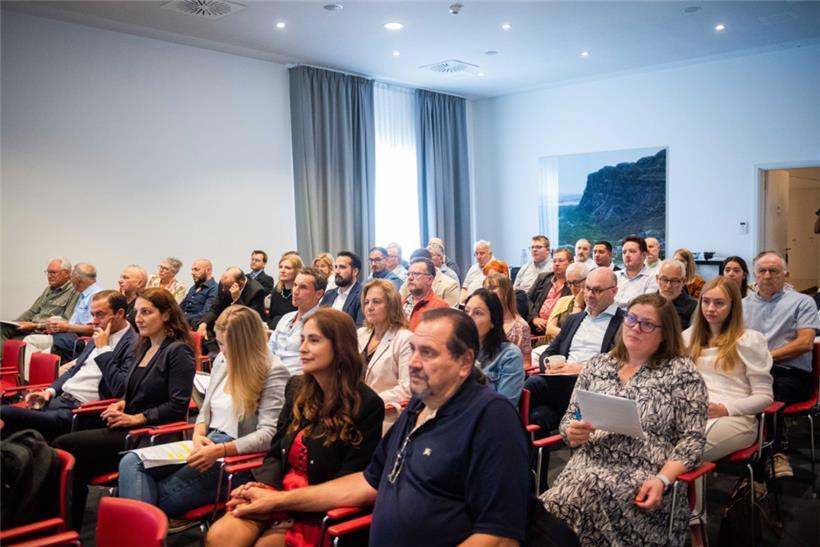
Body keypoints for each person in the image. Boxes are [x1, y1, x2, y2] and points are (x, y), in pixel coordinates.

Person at [209, 308, 531, 547]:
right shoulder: (419, 408)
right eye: (413, 350)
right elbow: (368, 482)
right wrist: (277, 500)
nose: (414, 362)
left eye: (428, 353)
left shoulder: (491, 417)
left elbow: (499, 537)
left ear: (464, 362)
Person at [206, 308, 384, 547]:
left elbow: (346, 484)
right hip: (278, 492)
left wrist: (285, 505)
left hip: (315, 506)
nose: (302, 348)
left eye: (313, 340)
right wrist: (263, 489)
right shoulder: (296, 388)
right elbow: (275, 454)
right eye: (302, 339)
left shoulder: (367, 406)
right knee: (220, 536)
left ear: (340, 347)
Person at [541, 293, 708, 546]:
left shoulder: (681, 373)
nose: (635, 328)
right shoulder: (598, 365)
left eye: (647, 324)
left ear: (665, 333)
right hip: (586, 466)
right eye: (631, 319)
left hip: (645, 476)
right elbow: (570, 417)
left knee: (567, 505)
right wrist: (571, 431)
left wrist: (662, 479)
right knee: (555, 506)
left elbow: (693, 440)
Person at [118, 305, 290, 518]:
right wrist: (198, 434)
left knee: (151, 496)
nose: (222, 351)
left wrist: (221, 450)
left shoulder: (273, 371)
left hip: (237, 455)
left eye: (228, 346)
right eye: (219, 344)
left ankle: (140, 531)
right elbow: (205, 411)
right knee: (131, 463)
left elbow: (268, 436)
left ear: (246, 344)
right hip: (207, 442)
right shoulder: (223, 360)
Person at [53, 288, 196, 527]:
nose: (138, 318)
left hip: (149, 434)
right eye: (137, 312)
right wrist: (122, 404)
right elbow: (132, 390)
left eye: (146, 312)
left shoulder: (178, 351)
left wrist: (136, 418)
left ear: (166, 315)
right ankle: (69, 527)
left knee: (64, 445)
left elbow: (177, 405)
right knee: (71, 457)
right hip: (128, 426)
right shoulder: (146, 346)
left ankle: (71, 525)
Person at [0, 290, 136, 441]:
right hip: (57, 401)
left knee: (5, 413)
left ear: (120, 313)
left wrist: (103, 350)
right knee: (9, 436)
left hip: (79, 412)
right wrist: (49, 392)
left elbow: (120, 388)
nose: (94, 321)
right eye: (93, 315)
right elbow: (74, 369)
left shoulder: (133, 344)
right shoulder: (99, 333)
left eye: (100, 315)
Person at [743, 251, 820, 477]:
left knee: (769, 392)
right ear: (754, 276)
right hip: (752, 372)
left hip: (791, 374)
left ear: (786, 274)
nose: (767, 276)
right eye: (762, 271)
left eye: (774, 271)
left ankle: (771, 456)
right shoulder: (741, 305)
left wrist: (764, 358)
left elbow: (804, 343)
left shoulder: (802, 302)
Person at [683, 277, 773, 461]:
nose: (710, 309)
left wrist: (726, 408)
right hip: (694, 410)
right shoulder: (688, 337)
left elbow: (765, 397)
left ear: (733, 306)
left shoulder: (749, 340)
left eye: (719, 303)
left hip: (735, 417)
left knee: (686, 454)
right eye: (706, 302)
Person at [1, 257, 79, 362]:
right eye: (48, 272)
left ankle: (7, 368)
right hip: (31, 326)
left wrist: (34, 325)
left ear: (66, 273)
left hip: (44, 331)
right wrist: (16, 324)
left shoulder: (74, 292)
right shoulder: (48, 290)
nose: (49, 276)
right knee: (2, 328)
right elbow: (32, 311)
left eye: (53, 272)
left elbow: (65, 321)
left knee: (15, 342)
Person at [22, 262, 101, 365]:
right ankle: (31, 379)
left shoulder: (96, 296)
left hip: (79, 340)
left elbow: (94, 328)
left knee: (31, 340)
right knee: (38, 352)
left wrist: (66, 327)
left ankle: (28, 380)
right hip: (68, 336)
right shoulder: (83, 294)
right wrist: (60, 323)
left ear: (78, 279)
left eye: (72, 276)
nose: (70, 280)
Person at [357, 279, 412, 426]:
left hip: (385, 416)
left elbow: (407, 389)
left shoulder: (405, 338)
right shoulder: (360, 334)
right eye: (367, 302)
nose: (370, 307)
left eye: (376, 302)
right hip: (354, 412)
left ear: (391, 305)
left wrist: (369, 401)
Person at [464, 289, 525, 404]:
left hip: (489, 418)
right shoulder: (457, 349)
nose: (469, 318)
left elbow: (504, 406)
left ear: (493, 321)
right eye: (466, 311)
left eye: (477, 313)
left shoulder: (510, 355)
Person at [269, 268, 326, 376]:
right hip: (272, 376)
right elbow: (270, 351)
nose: (295, 291)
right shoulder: (286, 318)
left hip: (298, 381)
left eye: (303, 287)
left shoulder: (321, 323)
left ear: (319, 294)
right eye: (295, 285)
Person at [196, 267, 267, 353]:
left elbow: (250, 320)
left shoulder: (257, 291)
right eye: (223, 285)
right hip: (226, 322)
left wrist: (237, 299)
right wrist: (204, 323)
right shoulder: (224, 284)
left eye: (226, 287)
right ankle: (215, 353)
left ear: (240, 284)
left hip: (244, 328)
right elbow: (215, 309)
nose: (223, 289)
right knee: (201, 324)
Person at [483, 273, 533, 367]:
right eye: (485, 289)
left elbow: (526, 363)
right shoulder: (482, 322)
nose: (488, 292)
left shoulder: (521, 326)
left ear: (506, 291)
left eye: (493, 288)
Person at [528, 247, 573, 333]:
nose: (556, 264)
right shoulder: (543, 278)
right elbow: (527, 298)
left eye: (561, 261)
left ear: (571, 263)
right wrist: (534, 318)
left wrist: (550, 324)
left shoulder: (573, 284)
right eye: (554, 261)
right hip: (535, 324)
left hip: (557, 329)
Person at [543, 262, 588, 342]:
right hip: (553, 344)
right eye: (569, 283)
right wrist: (568, 334)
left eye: (576, 282)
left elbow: (575, 331)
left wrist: (577, 304)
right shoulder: (563, 300)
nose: (573, 287)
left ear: (587, 280)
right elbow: (549, 329)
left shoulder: (592, 305)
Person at [402, 258, 449, 331]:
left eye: (415, 274)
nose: (410, 278)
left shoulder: (440, 307)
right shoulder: (401, 302)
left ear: (429, 280)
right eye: (408, 274)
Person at [320, 251, 364, 326]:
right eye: (336, 267)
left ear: (355, 271)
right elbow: (319, 320)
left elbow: (360, 328)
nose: (337, 271)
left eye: (342, 267)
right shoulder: (329, 294)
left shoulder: (362, 294)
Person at [615, 235, 659, 309]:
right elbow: (606, 301)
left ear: (644, 255)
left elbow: (644, 304)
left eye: (632, 251)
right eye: (624, 252)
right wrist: (629, 301)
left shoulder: (653, 278)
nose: (627, 255)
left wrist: (617, 301)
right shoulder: (614, 276)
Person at [656, 259, 697, 329]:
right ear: (657, 279)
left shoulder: (694, 307)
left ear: (684, 281)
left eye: (674, 281)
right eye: (664, 279)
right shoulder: (647, 302)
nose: (668, 286)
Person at [268, 254, 303, 330]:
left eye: (287, 268)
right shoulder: (276, 291)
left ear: (297, 271)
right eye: (281, 267)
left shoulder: (300, 293)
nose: (282, 271)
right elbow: (271, 317)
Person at [180, 259, 218, 327]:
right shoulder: (193, 288)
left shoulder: (214, 289)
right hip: (183, 324)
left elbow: (206, 312)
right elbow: (181, 306)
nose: (193, 273)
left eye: (196, 270)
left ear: (208, 270)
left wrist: (183, 319)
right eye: (192, 270)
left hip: (196, 325)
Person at [460, 240, 494, 304]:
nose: (478, 257)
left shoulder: (497, 268)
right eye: (476, 254)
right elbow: (464, 288)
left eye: (481, 253)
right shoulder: (473, 268)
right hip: (468, 303)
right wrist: (462, 300)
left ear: (490, 254)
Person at [119, 264, 149, 329]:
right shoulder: (119, 299)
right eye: (121, 277)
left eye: (125, 278)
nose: (120, 281)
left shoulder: (142, 305)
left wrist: (120, 303)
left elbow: (123, 327)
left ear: (139, 283)